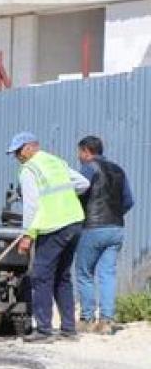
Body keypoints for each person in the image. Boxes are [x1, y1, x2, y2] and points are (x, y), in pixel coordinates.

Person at [8, 132, 89, 343]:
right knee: (62, 276)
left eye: (18, 151)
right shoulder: (56, 161)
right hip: (74, 222)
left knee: (41, 276)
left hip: (53, 226)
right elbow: (83, 184)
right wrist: (64, 199)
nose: (17, 156)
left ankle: (44, 330)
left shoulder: (29, 169)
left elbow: (32, 205)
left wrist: (27, 235)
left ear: (30, 147)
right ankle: (68, 330)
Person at [74, 135, 135, 334]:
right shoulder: (119, 170)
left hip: (93, 227)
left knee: (84, 273)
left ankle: (87, 318)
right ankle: (107, 321)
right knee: (107, 274)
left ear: (86, 151)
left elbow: (79, 193)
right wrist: (115, 215)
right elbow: (128, 201)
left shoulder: (89, 168)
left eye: (79, 153)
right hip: (116, 228)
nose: (79, 157)